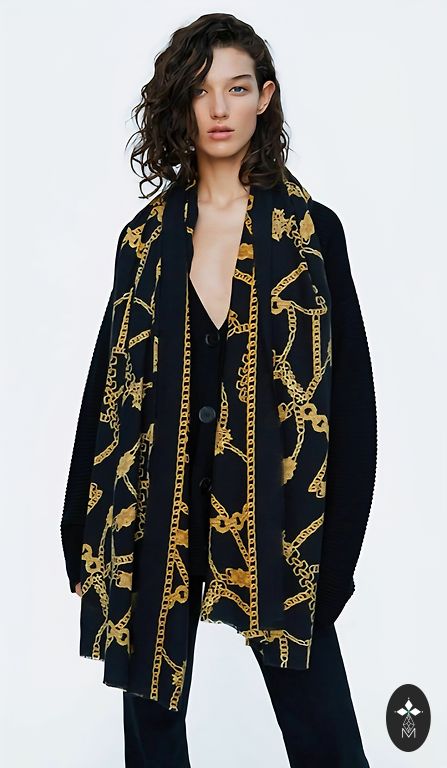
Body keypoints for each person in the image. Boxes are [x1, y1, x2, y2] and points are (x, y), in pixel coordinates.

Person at [61, 12, 377, 767]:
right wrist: (78, 529)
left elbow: (353, 405)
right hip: (152, 518)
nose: (218, 109)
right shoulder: (144, 240)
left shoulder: (310, 234)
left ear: (264, 97)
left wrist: (336, 558)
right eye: (201, 90)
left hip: (277, 522)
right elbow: (105, 384)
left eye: (236, 88)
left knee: (325, 737)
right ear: (180, 103)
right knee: (153, 736)